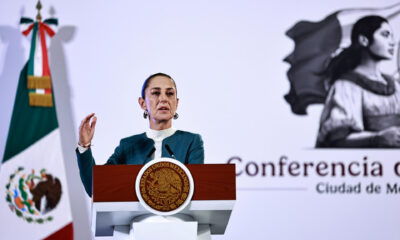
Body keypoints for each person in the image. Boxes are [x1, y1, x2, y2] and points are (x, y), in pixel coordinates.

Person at [76, 73, 204, 196]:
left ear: (176, 103)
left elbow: (197, 189)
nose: (164, 99)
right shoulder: (128, 146)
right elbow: (95, 187)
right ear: (143, 103)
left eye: (170, 94)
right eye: (156, 93)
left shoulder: (191, 141)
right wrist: (84, 146)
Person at [316, 15, 400, 148]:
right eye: (385, 35)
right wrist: (377, 139)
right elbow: (337, 139)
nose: (392, 42)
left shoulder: (395, 84)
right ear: (364, 40)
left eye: (391, 36)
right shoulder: (346, 86)